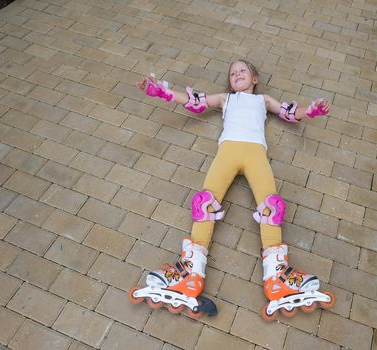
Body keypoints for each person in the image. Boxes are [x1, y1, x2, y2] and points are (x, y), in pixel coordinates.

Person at [128, 59, 335, 320]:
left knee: (272, 207)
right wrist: (163, 91)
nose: (236, 74)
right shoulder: (226, 99)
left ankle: (277, 277)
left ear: (255, 79)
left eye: (242, 71)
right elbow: (196, 101)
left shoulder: (263, 101)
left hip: (255, 155)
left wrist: (312, 110)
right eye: (232, 72)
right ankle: (190, 273)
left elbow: (289, 113)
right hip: (226, 153)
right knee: (204, 203)